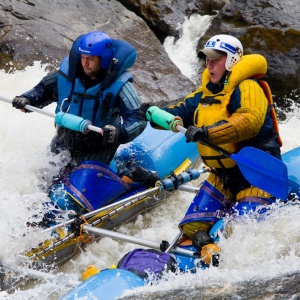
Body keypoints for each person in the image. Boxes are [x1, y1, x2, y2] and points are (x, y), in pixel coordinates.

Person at [141, 34, 282, 266]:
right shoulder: (207, 92)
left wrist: (206, 133)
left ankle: (216, 250)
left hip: (256, 177)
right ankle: (186, 257)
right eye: (207, 59)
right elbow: (181, 109)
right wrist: (155, 114)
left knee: (238, 236)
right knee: (191, 228)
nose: (210, 64)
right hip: (222, 176)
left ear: (232, 61)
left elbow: (249, 120)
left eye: (216, 59)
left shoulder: (248, 87)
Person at [12, 31, 147, 168]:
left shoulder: (120, 85)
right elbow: (44, 90)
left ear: (104, 59)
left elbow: (138, 117)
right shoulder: (69, 75)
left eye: (91, 59)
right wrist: (26, 98)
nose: (85, 63)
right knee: (42, 182)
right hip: (64, 140)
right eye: (83, 57)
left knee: (82, 188)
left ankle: (127, 172)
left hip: (98, 147)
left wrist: (119, 132)